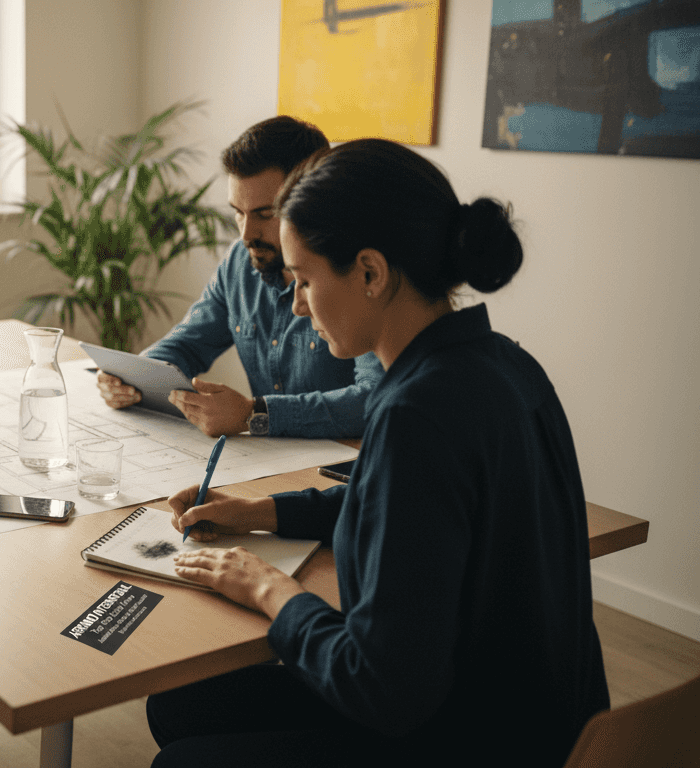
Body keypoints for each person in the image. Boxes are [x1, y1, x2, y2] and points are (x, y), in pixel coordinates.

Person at [146, 139, 609, 767]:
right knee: (178, 705)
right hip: (548, 721)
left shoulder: (415, 414)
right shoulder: (505, 363)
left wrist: (267, 589)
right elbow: (403, 514)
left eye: (305, 279)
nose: (296, 303)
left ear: (370, 272)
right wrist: (260, 511)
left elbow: (381, 689)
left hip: (464, 737)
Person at [97, 116, 384, 438]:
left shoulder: (354, 273)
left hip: (344, 465)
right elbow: (188, 344)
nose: (247, 233)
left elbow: (375, 398)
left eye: (265, 214)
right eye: (237, 212)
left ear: (312, 199)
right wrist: (131, 378)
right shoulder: (241, 260)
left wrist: (256, 414)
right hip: (266, 459)